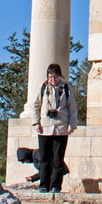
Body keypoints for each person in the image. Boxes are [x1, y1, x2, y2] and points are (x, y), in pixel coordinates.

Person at [30, 62, 77, 193]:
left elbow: (72, 107)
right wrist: (36, 123)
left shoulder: (65, 88)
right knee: (44, 158)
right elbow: (35, 106)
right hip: (45, 128)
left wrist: (72, 124)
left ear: (59, 76)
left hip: (61, 128)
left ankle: (56, 185)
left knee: (58, 159)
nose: (53, 80)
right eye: (50, 77)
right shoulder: (44, 88)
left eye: (55, 77)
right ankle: (43, 184)